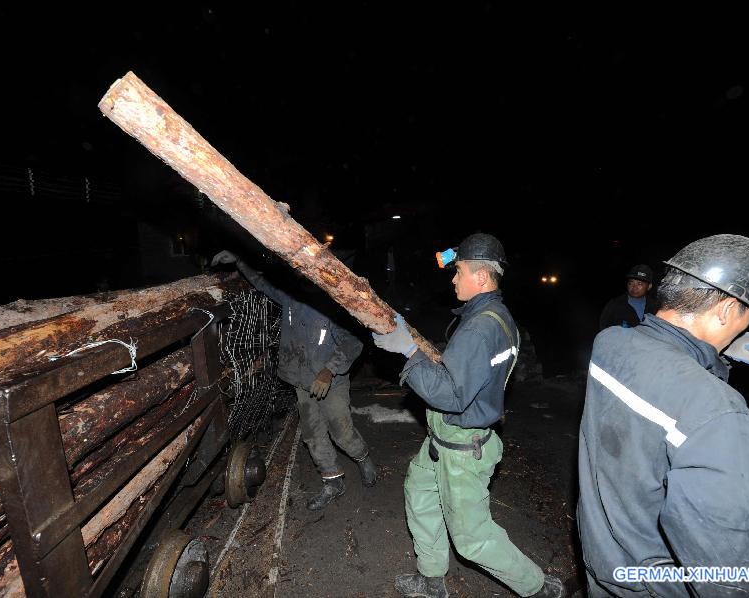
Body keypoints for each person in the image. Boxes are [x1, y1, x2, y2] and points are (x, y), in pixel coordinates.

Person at [577, 234, 749, 597]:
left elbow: (662, 383)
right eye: (746, 317)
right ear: (725, 310)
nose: (745, 326)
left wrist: (717, 353)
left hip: (602, 559)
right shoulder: (720, 415)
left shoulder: (609, 344)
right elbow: (732, 581)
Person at [372, 233, 564, 598]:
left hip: (462, 446)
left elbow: (451, 395)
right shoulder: (496, 316)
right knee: (420, 492)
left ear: (481, 277)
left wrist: (409, 352)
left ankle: (539, 587)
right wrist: (417, 343)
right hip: (446, 442)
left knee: (472, 539)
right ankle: (432, 580)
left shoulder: (480, 327)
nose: (453, 278)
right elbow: (464, 368)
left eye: (458, 271)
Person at [211, 250, 378, 510]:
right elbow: (263, 283)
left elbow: (353, 341)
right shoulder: (291, 297)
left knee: (341, 430)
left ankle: (362, 456)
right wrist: (241, 260)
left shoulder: (336, 304)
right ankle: (333, 482)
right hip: (302, 380)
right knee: (313, 435)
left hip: (331, 382)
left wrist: (328, 371)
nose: (301, 276)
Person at [598, 264, 658, 330]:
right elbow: (603, 330)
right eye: (631, 283)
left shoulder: (655, 307)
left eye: (639, 284)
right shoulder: (614, 305)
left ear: (649, 286)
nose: (634, 287)